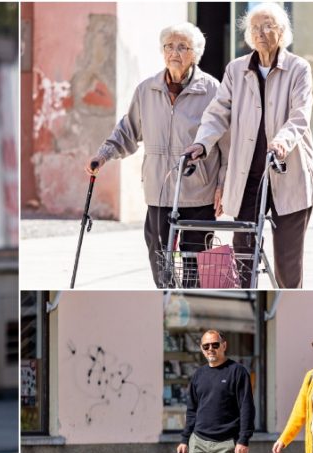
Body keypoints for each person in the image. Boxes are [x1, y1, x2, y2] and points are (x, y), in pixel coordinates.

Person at [184, 2, 313, 288]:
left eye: (268, 25)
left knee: (287, 260)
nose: (260, 32)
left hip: (289, 172)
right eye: (255, 27)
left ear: (282, 31)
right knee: (244, 252)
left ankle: (289, 298)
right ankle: (247, 292)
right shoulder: (236, 69)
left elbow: (300, 115)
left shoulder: (299, 68)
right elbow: (218, 112)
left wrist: (282, 142)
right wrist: (202, 143)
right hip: (249, 176)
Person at [88, 22, 225, 288]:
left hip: (199, 190)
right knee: (158, 254)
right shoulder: (146, 90)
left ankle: (191, 299)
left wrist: (222, 183)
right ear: (162, 52)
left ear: (196, 53)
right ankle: (168, 298)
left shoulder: (212, 90)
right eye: (169, 46)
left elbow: (226, 142)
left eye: (183, 47)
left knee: (196, 259)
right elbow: (127, 130)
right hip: (158, 189)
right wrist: (103, 155)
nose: (175, 52)